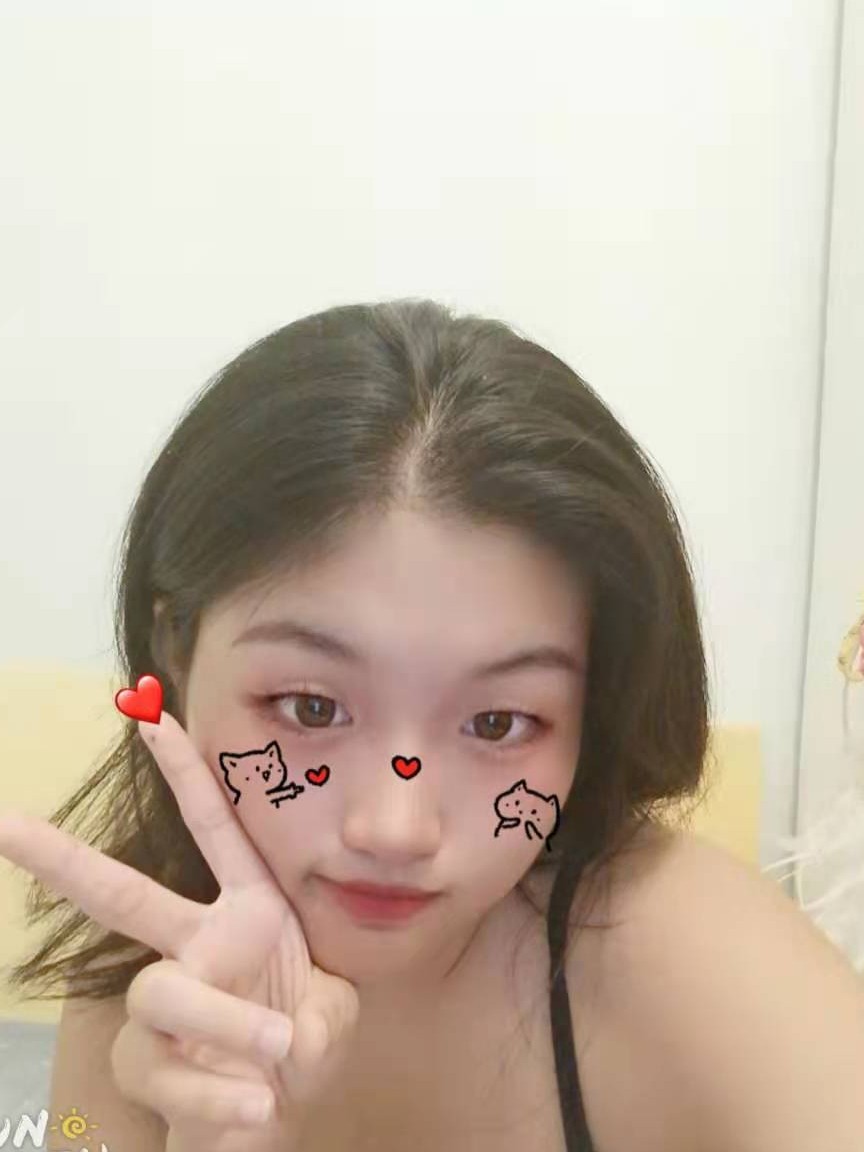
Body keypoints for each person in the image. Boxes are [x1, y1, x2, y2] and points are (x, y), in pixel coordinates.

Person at [1, 298, 863, 1152]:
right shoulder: (154, 988)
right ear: (177, 654)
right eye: (311, 708)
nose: (396, 828)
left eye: (498, 722)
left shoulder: (694, 957)